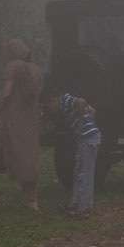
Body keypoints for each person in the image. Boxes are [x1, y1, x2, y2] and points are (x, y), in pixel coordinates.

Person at [0, 38, 44, 211]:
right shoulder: (37, 70)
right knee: (28, 160)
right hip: (29, 124)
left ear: (12, 52)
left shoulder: (13, 66)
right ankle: (31, 201)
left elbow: (6, 92)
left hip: (9, 121)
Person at [45, 88, 101, 219]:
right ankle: (74, 203)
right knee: (78, 172)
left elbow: (81, 102)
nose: (51, 110)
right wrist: (89, 122)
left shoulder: (66, 100)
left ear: (53, 101)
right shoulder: (67, 105)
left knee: (85, 174)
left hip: (88, 139)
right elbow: (92, 110)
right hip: (87, 138)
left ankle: (85, 208)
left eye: (50, 107)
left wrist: (81, 126)